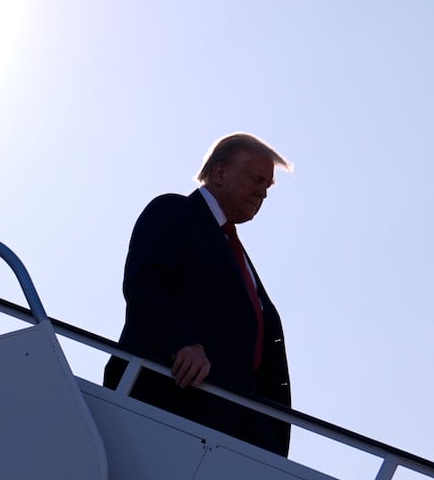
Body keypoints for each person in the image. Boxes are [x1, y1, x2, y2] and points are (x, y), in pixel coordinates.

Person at [103, 133, 293, 456]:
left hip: (234, 433)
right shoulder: (175, 212)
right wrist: (182, 343)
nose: (262, 192)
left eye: (268, 187)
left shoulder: (237, 254)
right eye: (256, 179)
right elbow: (145, 283)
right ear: (220, 173)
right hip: (172, 407)